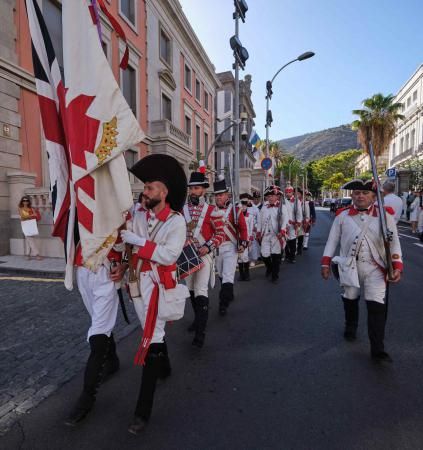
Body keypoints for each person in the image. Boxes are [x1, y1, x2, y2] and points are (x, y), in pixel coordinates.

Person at [120, 154, 188, 434]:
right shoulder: (138, 215)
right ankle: (165, 365)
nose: (144, 191)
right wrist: (124, 263)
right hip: (137, 283)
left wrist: (140, 243)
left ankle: (142, 412)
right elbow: (127, 244)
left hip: (160, 286)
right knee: (154, 336)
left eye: (150, 187)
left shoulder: (176, 222)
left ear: (164, 192)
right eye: (144, 187)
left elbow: (169, 254)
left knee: (151, 337)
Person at [321, 179, 403, 363]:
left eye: (365, 193)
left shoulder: (385, 216)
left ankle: (377, 348)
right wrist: (325, 263)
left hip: (376, 268)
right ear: (352, 196)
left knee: (376, 307)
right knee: (350, 299)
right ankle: (351, 325)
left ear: (374, 196)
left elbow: (394, 242)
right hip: (350, 266)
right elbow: (332, 241)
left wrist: (397, 265)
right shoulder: (342, 216)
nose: (360, 196)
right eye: (357, 193)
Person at [65, 221, 127, 426]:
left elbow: (129, 236)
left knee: (98, 334)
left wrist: (124, 264)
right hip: (83, 267)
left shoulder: (116, 199)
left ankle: (87, 397)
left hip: (106, 270)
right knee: (98, 322)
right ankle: (113, 359)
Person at [183, 171, 225, 348]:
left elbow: (221, 233)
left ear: (203, 190)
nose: (193, 191)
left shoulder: (211, 210)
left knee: (201, 290)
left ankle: (200, 333)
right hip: (186, 256)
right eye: (191, 188)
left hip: (204, 255)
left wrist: (208, 246)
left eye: (197, 188)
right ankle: (197, 319)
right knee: (191, 290)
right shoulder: (181, 210)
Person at [214, 176, 248, 316]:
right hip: (217, 247)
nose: (218, 198)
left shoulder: (235, 210)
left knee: (228, 275)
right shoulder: (211, 211)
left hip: (230, 246)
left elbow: (243, 228)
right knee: (222, 275)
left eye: (220, 195)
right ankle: (229, 292)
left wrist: (243, 242)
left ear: (227, 195)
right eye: (216, 195)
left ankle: (223, 304)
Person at [257, 185, 288, 283]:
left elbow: (285, 220)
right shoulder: (264, 207)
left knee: (275, 256)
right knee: (264, 255)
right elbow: (260, 220)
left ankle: (275, 276)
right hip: (266, 234)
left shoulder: (282, 207)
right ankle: (269, 268)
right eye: (268, 196)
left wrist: (282, 231)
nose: (270, 198)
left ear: (277, 196)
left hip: (277, 235)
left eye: (272, 196)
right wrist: (258, 231)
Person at [18, 196, 42, 260]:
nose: (25, 202)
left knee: (29, 240)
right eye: (24, 200)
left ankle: (27, 255)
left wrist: (28, 216)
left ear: (28, 201)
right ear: (22, 201)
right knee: (30, 240)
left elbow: (36, 216)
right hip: (25, 225)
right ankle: (37, 254)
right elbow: (23, 217)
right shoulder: (21, 208)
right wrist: (31, 215)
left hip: (32, 225)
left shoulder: (32, 208)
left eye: (26, 200)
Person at [238, 193, 255, 281]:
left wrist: (250, 239)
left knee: (245, 257)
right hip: (238, 239)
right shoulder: (236, 216)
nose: (243, 207)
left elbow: (251, 229)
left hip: (246, 238)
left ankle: (247, 274)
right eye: (242, 205)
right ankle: (241, 275)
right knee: (240, 258)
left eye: (245, 205)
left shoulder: (250, 216)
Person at [284, 185, 302, 263]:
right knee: (284, 240)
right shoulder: (283, 201)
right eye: (287, 192)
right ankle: (287, 255)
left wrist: (298, 222)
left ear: (292, 193)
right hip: (284, 224)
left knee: (292, 240)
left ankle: (292, 256)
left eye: (289, 192)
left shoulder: (296, 201)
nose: (288, 194)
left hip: (292, 223)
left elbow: (299, 213)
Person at [248, 191, 262, 266]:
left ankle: (255, 258)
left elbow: (258, 219)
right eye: (254, 199)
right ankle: (248, 258)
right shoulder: (248, 207)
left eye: (258, 199)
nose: (256, 200)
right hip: (248, 228)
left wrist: (256, 227)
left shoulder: (260, 207)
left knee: (255, 244)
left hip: (255, 228)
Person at [296, 188, 310, 256]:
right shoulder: (292, 202)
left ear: (301, 195)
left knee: (300, 236)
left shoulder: (304, 204)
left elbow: (307, 214)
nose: (296, 195)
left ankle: (299, 249)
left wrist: (306, 221)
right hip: (293, 222)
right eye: (295, 193)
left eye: (298, 193)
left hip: (301, 222)